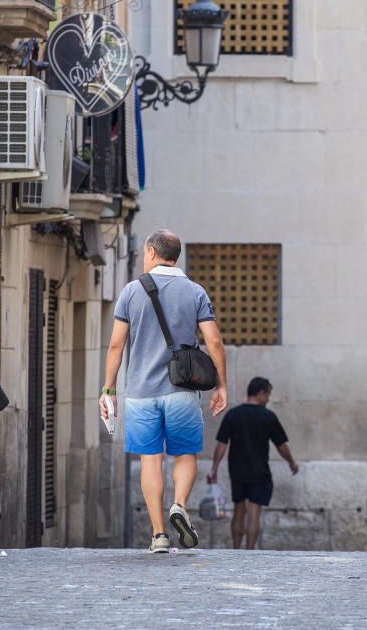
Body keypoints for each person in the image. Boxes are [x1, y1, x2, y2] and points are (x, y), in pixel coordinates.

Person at [102, 230, 228, 554]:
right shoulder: (195, 292)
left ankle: (159, 535)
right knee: (184, 454)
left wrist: (109, 388)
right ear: (176, 256)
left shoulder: (131, 292)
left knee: (151, 459)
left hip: (141, 392)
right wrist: (222, 385)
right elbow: (213, 341)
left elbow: (117, 344)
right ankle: (180, 505)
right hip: (182, 391)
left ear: (150, 252)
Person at [209, 378, 298, 550]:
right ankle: (249, 551)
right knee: (254, 512)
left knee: (239, 510)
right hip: (259, 471)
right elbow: (281, 446)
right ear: (261, 393)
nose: (269, 399)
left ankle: (236, 549)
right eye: (268, 395)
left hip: (237, 470)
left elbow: (222, 444)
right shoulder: (268, 417)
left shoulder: (233, 415)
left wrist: (214, 468)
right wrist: (291, 462)